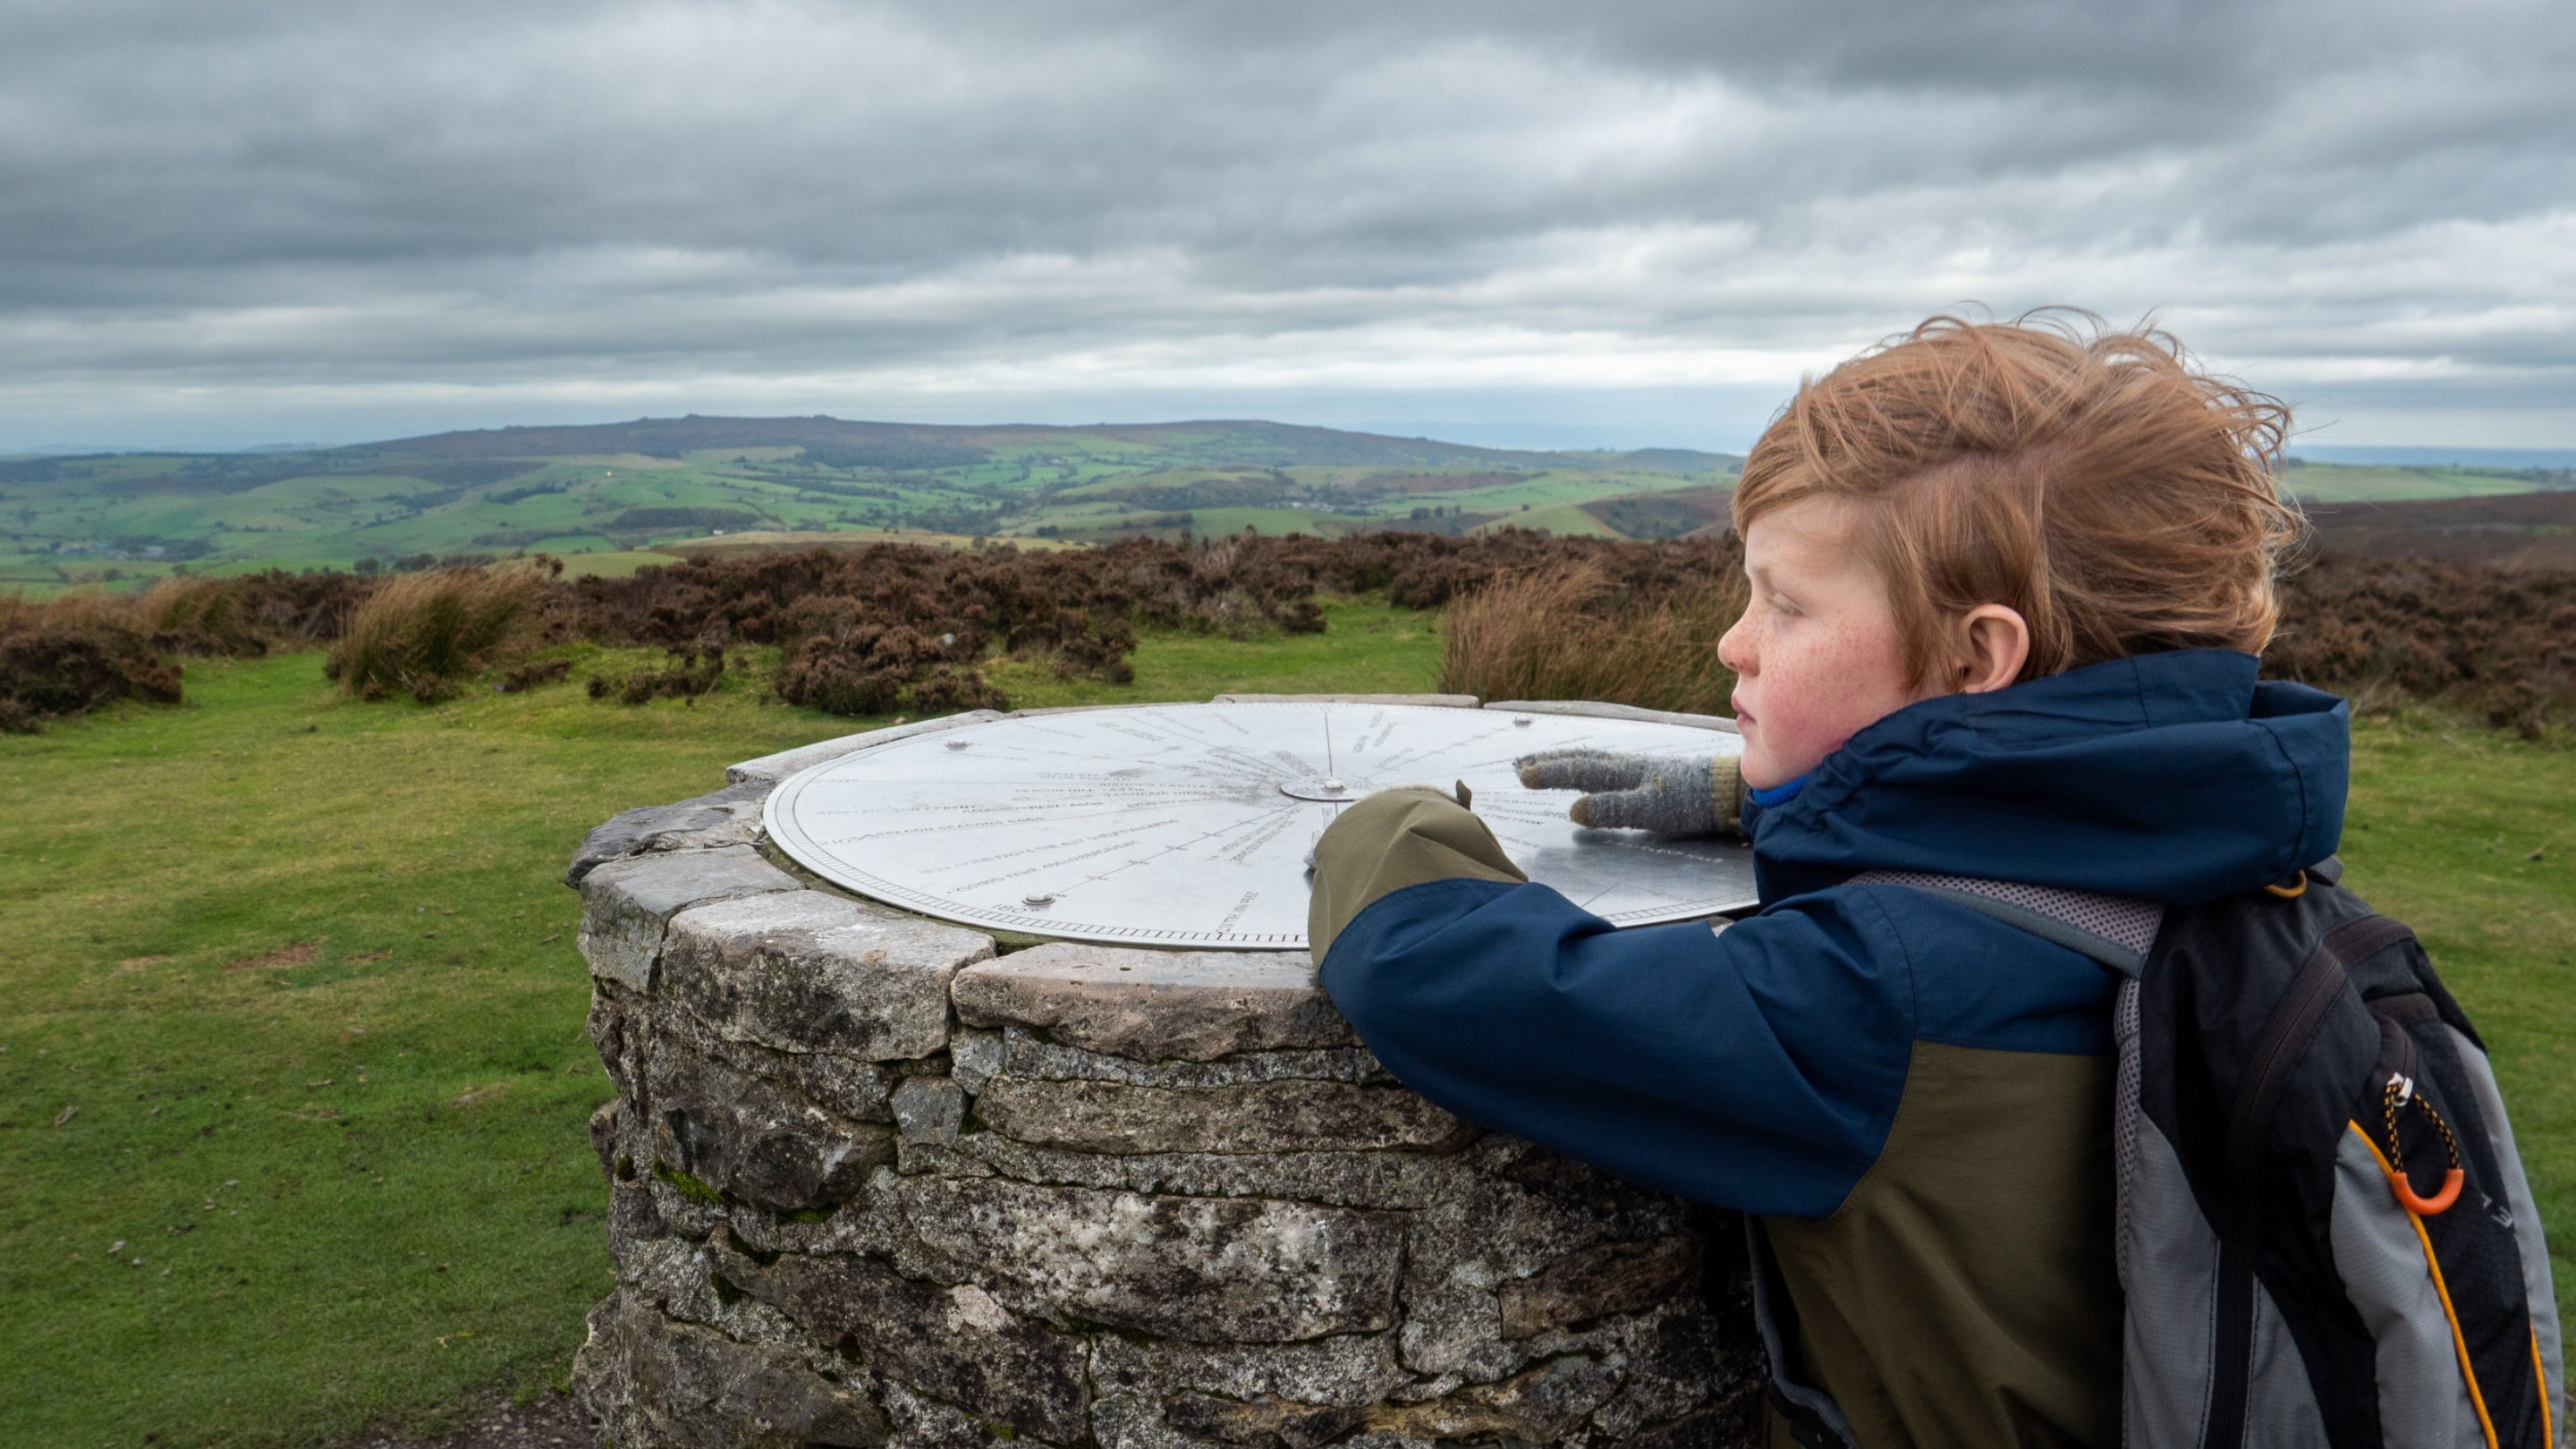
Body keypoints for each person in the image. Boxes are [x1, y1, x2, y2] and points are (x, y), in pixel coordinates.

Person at [1307, 314, 2343, 1449]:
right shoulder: (2247, 869)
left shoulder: (1868, 1003)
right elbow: (2037, 833)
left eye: (1783, 605)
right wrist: (1760, 798)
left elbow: (1438, 974)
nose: (1731, 646)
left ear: (1975, 659)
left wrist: (1376, 813)